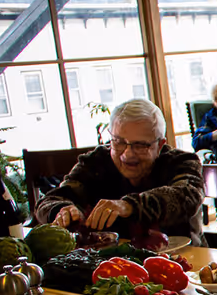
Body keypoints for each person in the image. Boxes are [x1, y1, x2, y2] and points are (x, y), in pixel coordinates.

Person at [36, 98, 206, 246]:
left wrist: (128, 206)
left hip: (185, 263)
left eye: (140, 145)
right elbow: (50, 200)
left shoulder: (182, 163)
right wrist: (62, 210)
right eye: (118, 142)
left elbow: (186, 196)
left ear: (160, 145)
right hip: (114, 267)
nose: (127, 154)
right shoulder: (95, 163)